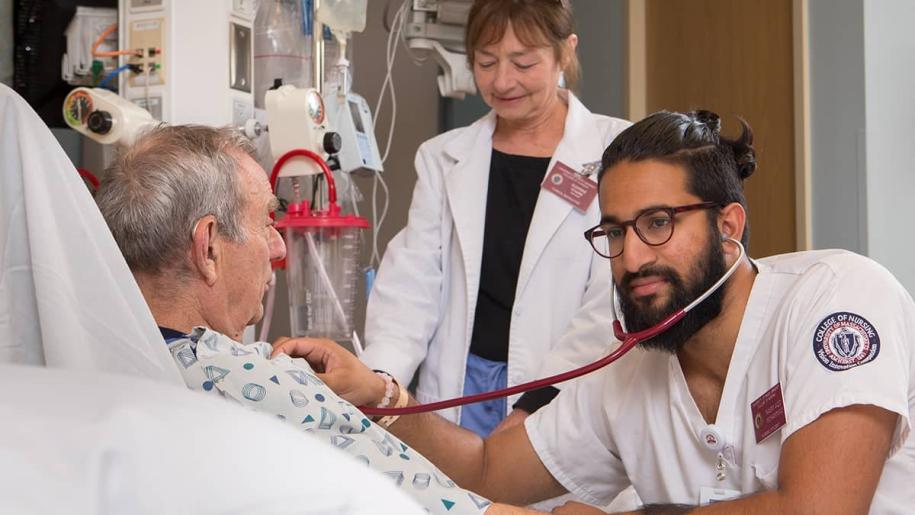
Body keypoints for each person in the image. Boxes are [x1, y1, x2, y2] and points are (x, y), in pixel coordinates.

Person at [274, 110, 915, 513]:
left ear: (730, 225)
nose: (632, 258)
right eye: (613, 233)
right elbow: (489, 469)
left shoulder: (837, 299)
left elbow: (820, 508)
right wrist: (380, 395)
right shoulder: (628, 375)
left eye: (658, 223)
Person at [94, 125, 513, 515]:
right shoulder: (253, 388)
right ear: (208, 250)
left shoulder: (93, 361)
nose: (279, 248)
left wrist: (377, 392)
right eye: (267, 222)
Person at [362, 0, 630, 437]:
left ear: (565, 52)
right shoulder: (444, 158)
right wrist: (379, 381)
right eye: (485, 63)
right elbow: (412, 286)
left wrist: (537, 399)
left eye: (523, 63)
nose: (503, 81)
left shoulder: (617, 150)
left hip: (566, 388)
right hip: (459, 390)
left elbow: (611, 299)